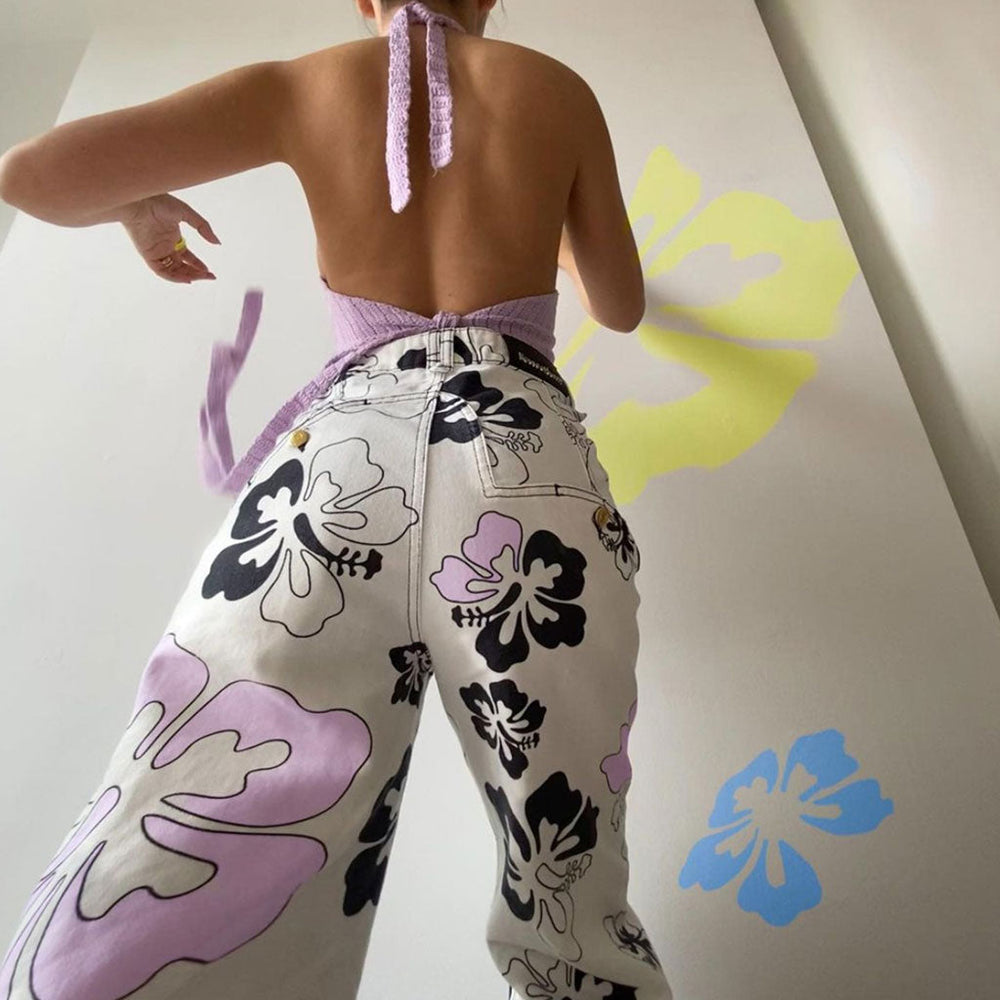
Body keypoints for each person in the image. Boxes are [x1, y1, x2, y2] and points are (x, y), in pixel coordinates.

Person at [0, 3, 671, 999]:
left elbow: (30, 175)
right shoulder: (554, 88)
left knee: (203, 796)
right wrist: (549, 238)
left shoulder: (301, 84)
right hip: (523, 457)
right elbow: (621, 305)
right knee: (567, 853)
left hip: (340, 467)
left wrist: (138, 210)